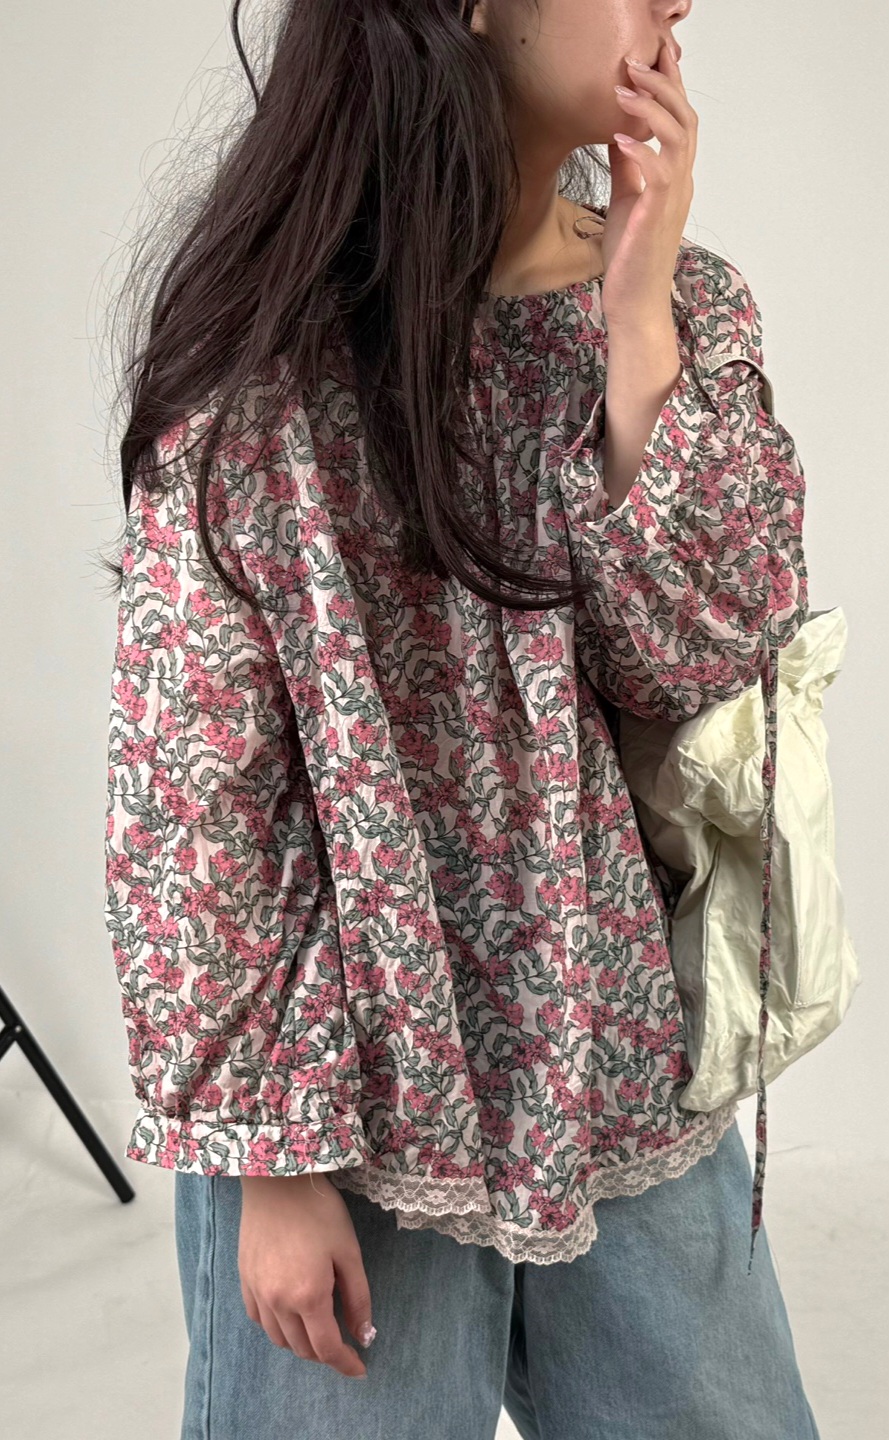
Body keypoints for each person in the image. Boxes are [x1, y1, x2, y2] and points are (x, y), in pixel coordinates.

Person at [101, 1, 821, 1436]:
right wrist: (276, 1164)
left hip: (620, 1055)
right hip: (352, 1100)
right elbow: (195, 793)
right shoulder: (271, 371)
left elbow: (712, 661)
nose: (679, 2)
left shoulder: (685, 309)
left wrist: (638, 319)